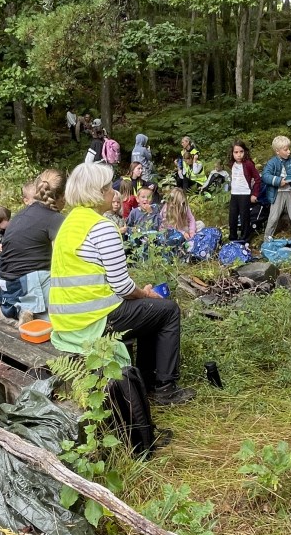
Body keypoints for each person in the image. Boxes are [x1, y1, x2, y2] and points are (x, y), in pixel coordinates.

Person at [49, 162, 193, 405]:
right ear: (96, 193)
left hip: (66, 320)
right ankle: (165, 388)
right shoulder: (102, 227)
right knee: (168, 311)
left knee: (151, 312)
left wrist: (142, 297)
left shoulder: (70, 222)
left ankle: (146, 381)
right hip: (94, 320)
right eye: (108, 188)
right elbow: (122, 287)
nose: (114, 192)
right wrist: (145, 293)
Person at [0, 169, 66, 320]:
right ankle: (37, 313)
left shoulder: (20, 216)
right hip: (32, 282)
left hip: (8, 286)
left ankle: (22, 310)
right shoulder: (56, 219)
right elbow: (64, 258)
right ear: (63, 196)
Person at [262, 135, 291, 241]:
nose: (289, 152)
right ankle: (267, 241)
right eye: (286, 150)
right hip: (277, 193)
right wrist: (278, 181)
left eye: (289, 149)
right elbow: (265, 176)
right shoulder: (272, 162)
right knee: (273, 219)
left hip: (290, 192)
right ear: (277, 151)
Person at [226, 140, 263, 243]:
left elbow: (257, 179)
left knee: (244, 217)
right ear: (232, 153)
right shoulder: (232, 164)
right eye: (236, 152)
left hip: (245, 194)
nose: (239, 155)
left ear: (245, 152)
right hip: (234, 194)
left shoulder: (248, 164)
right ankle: (232, 238)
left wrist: (254, 194)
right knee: (232, 217)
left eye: (241, 152)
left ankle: (245, 239)